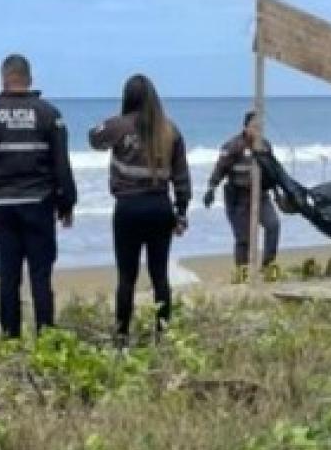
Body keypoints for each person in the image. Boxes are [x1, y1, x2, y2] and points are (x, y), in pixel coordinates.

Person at [0, 55, 77, 338]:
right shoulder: (48, 113)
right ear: (29, 79)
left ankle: (11, 336)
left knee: (8, 277)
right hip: (39, 204)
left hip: (3, 207)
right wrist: (67, 202)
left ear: (3, 78)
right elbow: (61, 164)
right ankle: (46, 333)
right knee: (40, 275)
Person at [89, 74, 191, 341]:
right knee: (160, 276)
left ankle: (122, 335)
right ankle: (162, 334)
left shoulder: (119, 126)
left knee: (127, 277)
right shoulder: (171, 130)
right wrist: (181, 212)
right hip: (160, 207)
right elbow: (181, 176)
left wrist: (116, 124)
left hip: (129, 208)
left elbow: (93, 138)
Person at [203, 111, 279, 270]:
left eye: (260, 127)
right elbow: (220, 168)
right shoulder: (233, 146)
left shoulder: (265, 145)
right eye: (254, 126)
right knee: (244, 238)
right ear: (245, 127)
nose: (258, 130)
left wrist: (278, 192)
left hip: (261, 195)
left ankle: (267, 266)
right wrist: (211, 188)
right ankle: (242, 272)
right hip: (238, 198)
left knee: (273, 225)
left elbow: (273, 172)